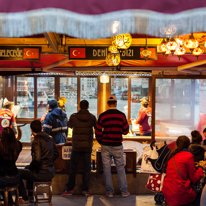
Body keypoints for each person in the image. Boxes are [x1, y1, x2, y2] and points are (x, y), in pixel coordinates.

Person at [95, 95, 130, 197]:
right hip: (117, 145)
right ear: (116, 103)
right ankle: (124, 192)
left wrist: (101, 140)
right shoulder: (122, 115)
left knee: (106, 168)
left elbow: (97, 131)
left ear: (107, 104)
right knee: (120, 168)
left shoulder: (102, 116)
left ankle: (110, 192)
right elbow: (126, 131)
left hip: (105, 145)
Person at [61, 100, 96, 196]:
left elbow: (69, 125)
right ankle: (85, 189)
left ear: (79, 106)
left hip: (76, 146)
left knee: (73, 168)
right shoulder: (92, 117)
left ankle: (69, 189)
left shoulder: (73, 116)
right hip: (87, 146)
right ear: (88, 107)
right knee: (87, 168)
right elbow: (97, 127)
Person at [18, 120, 59, 203]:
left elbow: (37, 159)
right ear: (41, 128)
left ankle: (25, 198)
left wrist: (33, 168)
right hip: (50, 171)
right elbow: (56, 154)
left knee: (18, 172)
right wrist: (48, 161)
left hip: (41, 173)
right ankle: (30, 195)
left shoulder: (36, 140)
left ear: (31, 130)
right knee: (27, 168)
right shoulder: (50, 138)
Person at [162, 135, 205, 206]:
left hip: (168, 193)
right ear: (189, 146)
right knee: (200, 193)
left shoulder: (172, 155)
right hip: (180, 195)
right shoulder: (188, 156)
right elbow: (194, 179)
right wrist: (201, 168)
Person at [0, 127, 22, 205]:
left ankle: (8, 201)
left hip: (3, 178)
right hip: (15, 177)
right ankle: (9, 202)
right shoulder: (18, 145)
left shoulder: (1, 147)